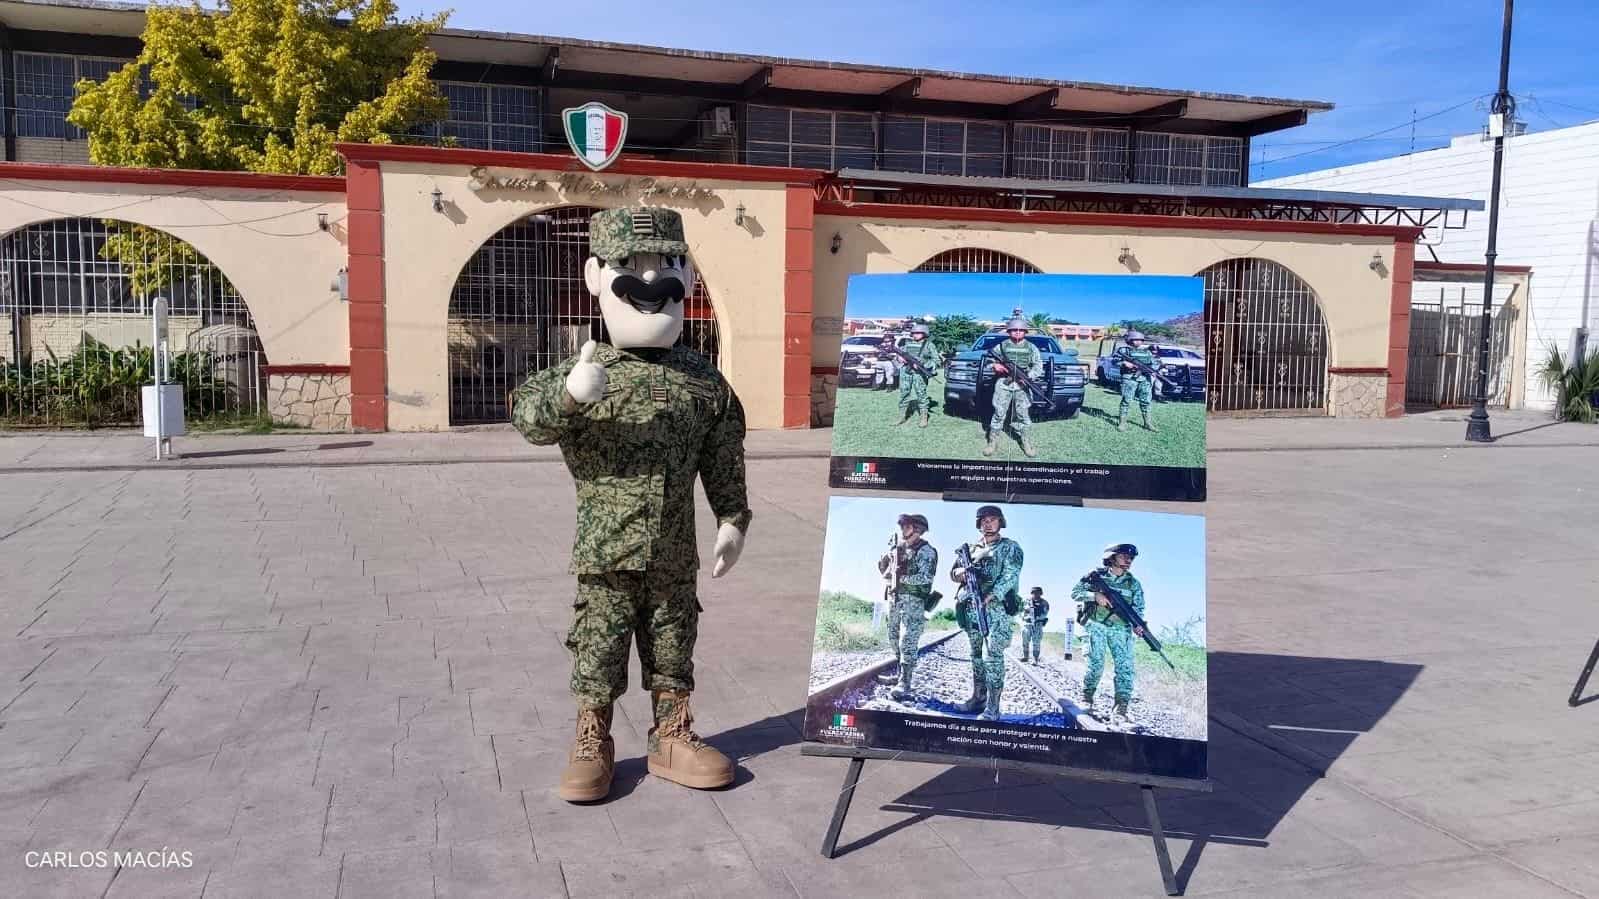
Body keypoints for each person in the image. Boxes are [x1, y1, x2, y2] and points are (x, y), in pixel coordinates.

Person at [512, 207, 752, 803]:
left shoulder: (703, 381)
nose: (652, 281)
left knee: (674, 642)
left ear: (688, 277)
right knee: (600, 642)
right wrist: (569, 400)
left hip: (674, 550)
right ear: (596, 276)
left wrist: (732, 518)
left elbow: (724, 453)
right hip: (605, 549)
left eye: (667, 265)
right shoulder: (587, 369)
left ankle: (672, 734)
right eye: (631, 266)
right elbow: (527, 415)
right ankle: (592, 738)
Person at [950, 505, 1024, 720]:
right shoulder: (970, 549)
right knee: (976, 657)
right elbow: (953, 572)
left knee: (992, 657)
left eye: (992, 519)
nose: (987, 523)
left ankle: (993, 707)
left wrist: (992, 595)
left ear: (1000, 522)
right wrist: (961, 573)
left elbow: (1011, 576)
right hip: (972, 607)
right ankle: (977, 699)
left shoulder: (1010, 547)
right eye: (983, 520)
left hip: (996, 610)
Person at [1072, 543, 1146, 724]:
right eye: (1123, 556)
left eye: (1131, 558)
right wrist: (1094, 596)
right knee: (1095, 664)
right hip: (1096, 626)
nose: (1128, 561)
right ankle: (1087, 698)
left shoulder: (1133, 584)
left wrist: (1138, 625)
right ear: (1112, 557)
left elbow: (1138, 609)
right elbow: (1075, 593)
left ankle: (1121, 708)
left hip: (1121, 630)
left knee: (1125, 669)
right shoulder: (1096, 576)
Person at [874, 514, 939, 700]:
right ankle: (899, 674)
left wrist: (900, 579)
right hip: (894, 600)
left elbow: (926, 578)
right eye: (902, 526)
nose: (903, 529)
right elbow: (885, 572)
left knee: (907, 641)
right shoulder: (898, 548)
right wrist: (885, 565)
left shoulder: (926, 551)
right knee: (893, 637)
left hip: (913, 602)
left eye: (907, 526)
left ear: (918, 529)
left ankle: (905, 683)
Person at [985, 316, 1044, 458]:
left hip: (1022, 385)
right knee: (999, 413)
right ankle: (992, 442)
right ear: (1009, 331)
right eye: (1014, 330)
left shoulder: (1031, 347)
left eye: (1020, 330)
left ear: (1025, 332)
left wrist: (1028, 376)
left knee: (1023, 415)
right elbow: (988, 360)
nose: (1017, 332)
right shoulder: (1001, 346)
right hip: (1003, 384)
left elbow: (1038, 366)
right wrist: (995, 365)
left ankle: (1026, 442)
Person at [896, 323, 945, 427]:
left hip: (920, 374)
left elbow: (937, 361)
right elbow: (900, 355)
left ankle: (923, 417)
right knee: (904, 393)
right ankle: (901, 416)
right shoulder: (907, 343)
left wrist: (924, 364)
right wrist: (899, 358)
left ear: (924, 333)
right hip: (906, 372)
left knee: (921, 394)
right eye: (914, 333)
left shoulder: (929, 345)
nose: (915, 335)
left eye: (918, 333)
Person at [1116, 330, 1158, 433]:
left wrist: (1153, 370)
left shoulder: (1147, 352)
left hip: (1145, 379)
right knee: (1127, 400)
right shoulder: (1124, 350)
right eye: (1136, 340)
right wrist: (1124, 363)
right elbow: (1114, 361)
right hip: (1130, 378)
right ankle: (1122, 423)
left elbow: (1154, 363)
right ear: (1130, 340)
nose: (1139, 342)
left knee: (1146, 401)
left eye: (1141, 340)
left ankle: (1147, 423)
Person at [1021, 586, 1049, 664]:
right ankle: (1025, 657)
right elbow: (1021, 610)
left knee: (1036, 643)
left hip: (1037, 624)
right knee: (1025, 641)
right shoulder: (1027, 601)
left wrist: (1037, 615)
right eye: (1034, 593)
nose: (1035, 594)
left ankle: (1035, 659)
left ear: (1041, 594)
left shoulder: (1044, 603)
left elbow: (1045, 613)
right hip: (1027, 624)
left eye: (1037, 593)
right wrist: (1025, 615)